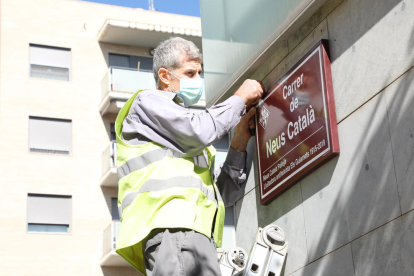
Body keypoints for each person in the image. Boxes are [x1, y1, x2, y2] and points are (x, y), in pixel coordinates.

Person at [114, 37, 263, 276]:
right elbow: (200, 130)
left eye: (199, 73)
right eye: (190, 73)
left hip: (191, 234)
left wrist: (239, 142)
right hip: (174, 230)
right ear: (165, 76)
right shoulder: (148, 103)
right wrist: (240, 98)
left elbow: (223, 195)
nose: (198, 81)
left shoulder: (182, 136)